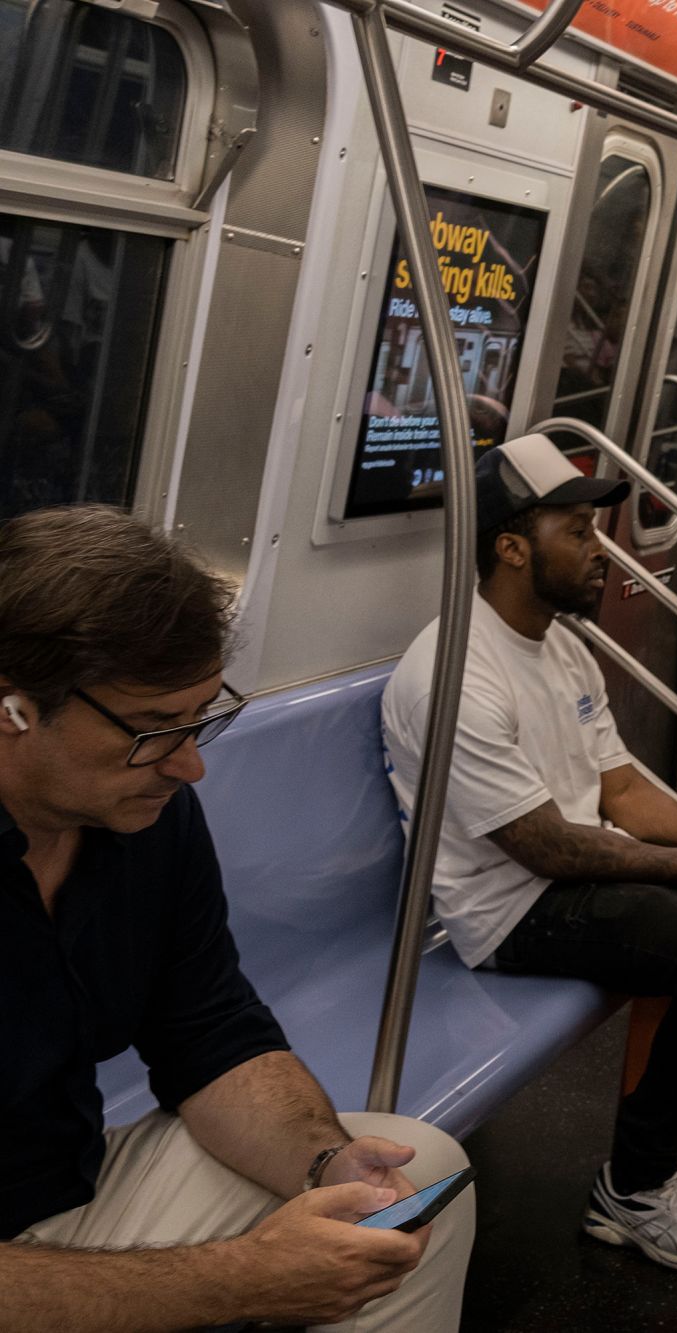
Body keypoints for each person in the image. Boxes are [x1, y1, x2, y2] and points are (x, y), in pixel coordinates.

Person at [0, 505, 472, 1330]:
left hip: (61, 1192)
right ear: (13, 710)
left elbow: (208, 1031)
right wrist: (238, 1278)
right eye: (151, 731)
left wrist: (323, 1158)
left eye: (200, 718)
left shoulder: (140, 815)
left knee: (407, 1187)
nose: (191, 765)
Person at [381, 434, 677, 1274]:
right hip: (507, 910)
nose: (599, 546)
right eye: (576, 530)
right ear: (511, 547)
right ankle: (635, 1188)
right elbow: (539, 845)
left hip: (566, 874)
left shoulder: (560, 643)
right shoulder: (456, 670)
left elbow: (623, 794)